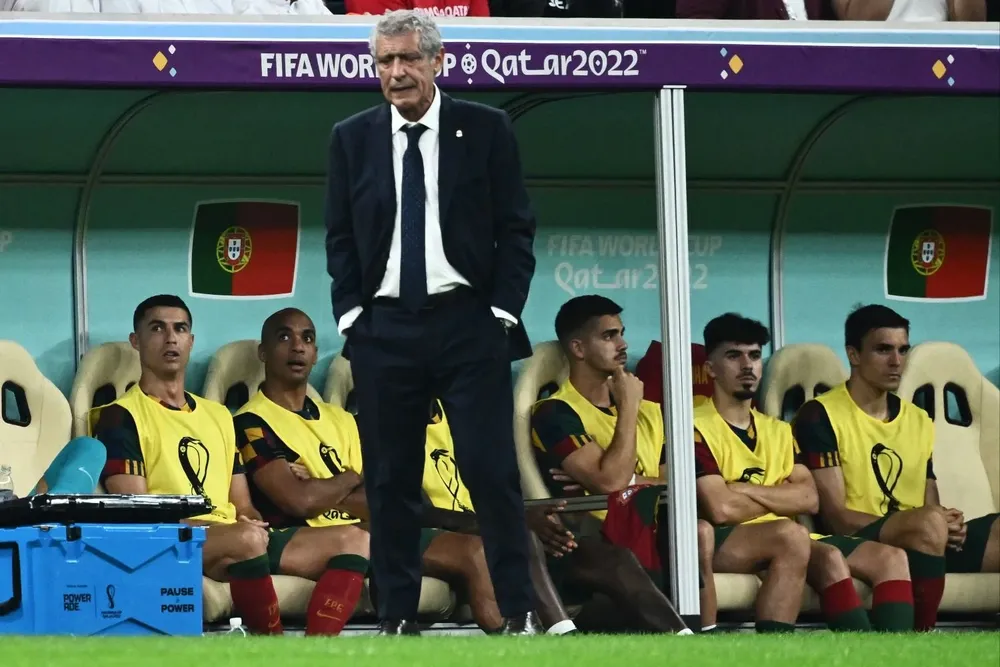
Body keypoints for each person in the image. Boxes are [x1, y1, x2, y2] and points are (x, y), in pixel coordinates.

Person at [324, 9, 538, 635]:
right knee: (390, 479)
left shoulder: (486, 128)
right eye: (384, 61)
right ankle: (396, 617)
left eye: (408, 59)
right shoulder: (351, 136)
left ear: (438, 62)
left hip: (468, 324)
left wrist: (500, 312)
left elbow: (516, 227)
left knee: (490, 471)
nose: (396, 73)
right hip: (384, 329)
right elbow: (340, 235)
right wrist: (351, 316)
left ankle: (521, 611)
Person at [90, 295, 370, 637]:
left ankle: (315, 650)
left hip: (231, 536)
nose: (170, 338)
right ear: (136, 341)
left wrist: (251, 521)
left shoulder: (219, 415)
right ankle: (270, 649)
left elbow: (242, 504)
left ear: (191, 341)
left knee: (355, 539)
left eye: (180, 329)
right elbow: (141, 513)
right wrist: (234, 532)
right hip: (168, 536)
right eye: (157, 329)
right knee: (246, 541)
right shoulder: (120, 416)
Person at [234, 308, 506, 634]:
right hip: (311, 537)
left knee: (477, 550)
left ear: (316, 353)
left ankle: (515, 651)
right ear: (263, 352)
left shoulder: (343, 420)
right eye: (284, 337)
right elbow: (299, 502)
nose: (298, 347)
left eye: (307, 338)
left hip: (375, 532)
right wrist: (353, 476)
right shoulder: (251, 422)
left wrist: (322, 487)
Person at [694, 313, 915, 634]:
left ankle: (895, 654)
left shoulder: (779, 430)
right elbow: (721, 508)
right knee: (791, 535)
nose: (747, 365)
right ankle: (776, 649)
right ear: (711, 368)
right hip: (727, 539)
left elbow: (809, 498)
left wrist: (741, 488)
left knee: (890, 558)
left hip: (786, 536)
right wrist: (780, 497)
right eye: (734, 355)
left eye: (755, 355)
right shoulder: (692, 424)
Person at [794, 304, 1000, 631]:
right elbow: (836, 516)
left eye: (903, 350)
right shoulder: (819, 414)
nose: (896, 362)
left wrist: (948, 523)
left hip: (920, 537)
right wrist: (922, 523)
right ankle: (921, 636)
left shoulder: (918, 418)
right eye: (883, 350)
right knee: (927, 524)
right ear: (854, 354)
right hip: (859, 536)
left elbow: (929, 502)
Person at [530, 295, 701, 635]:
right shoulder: (555, 413)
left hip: (657, 531)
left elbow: (684, 481)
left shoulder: (651, 411)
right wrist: (627, 410)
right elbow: (610, 483)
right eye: (609, 336)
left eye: (622, 333)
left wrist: (632, 479)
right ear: (578, 348)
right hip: (584, 543)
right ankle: (686, 641)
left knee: (697, 533)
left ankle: (698, 632)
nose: (623, 344)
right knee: (625, 562)